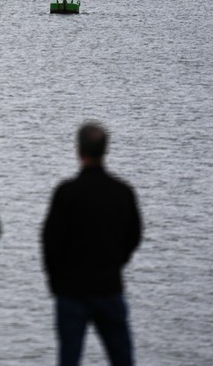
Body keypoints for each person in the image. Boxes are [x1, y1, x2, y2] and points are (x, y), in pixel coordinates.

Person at [41, 122, 142, 366]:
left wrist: (56, 281)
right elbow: (134, 234)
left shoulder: (66, 192)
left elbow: (49, 241)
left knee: (69, 358)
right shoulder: (122, 191)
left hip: (71, 289)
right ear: (105, 150)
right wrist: (117, 261)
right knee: (122, 358)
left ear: (79, 151)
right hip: (109, 286)